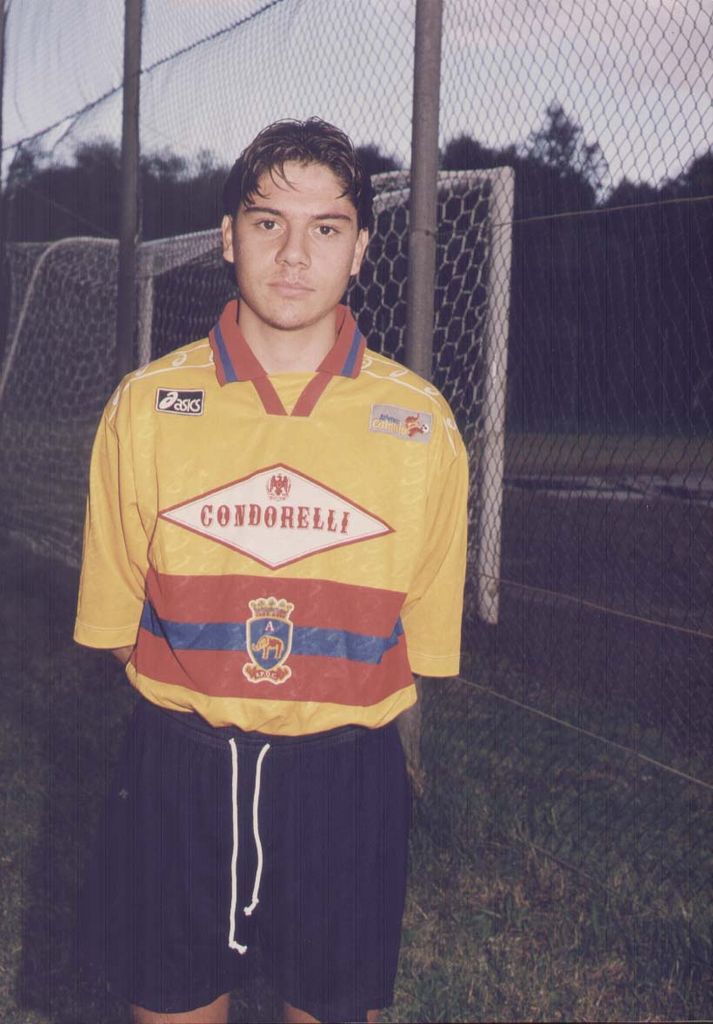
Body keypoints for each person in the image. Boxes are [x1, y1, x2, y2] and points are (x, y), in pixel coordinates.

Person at [74, 117, 468, 1024]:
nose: (294, 254)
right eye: (266, 223)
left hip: (346, 777)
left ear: (360, 249)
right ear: (226, 237)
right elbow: (115, 624)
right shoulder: (147, 407)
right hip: (177, 766)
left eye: (325, 228)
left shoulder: (420, 424)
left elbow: (418, 643)